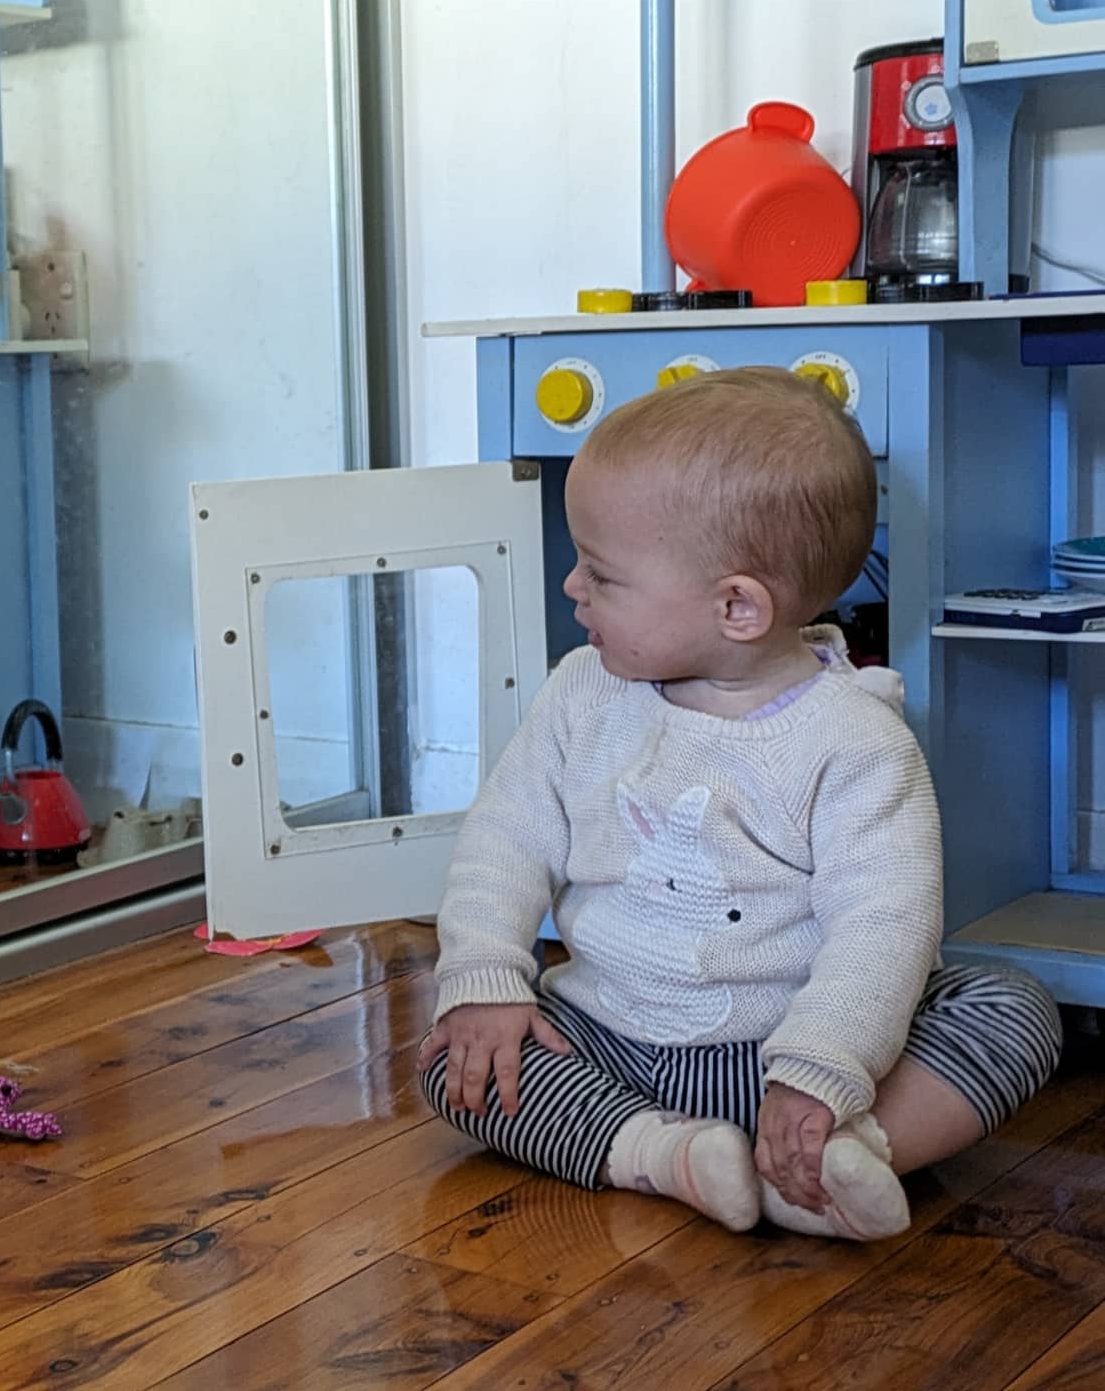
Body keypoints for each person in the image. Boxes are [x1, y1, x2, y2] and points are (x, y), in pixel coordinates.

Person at [417, 367, 1062, 1239]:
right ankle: (665, 1153)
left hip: (786, 1057)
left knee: (1013, 1011)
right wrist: (485, 978)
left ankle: (839, 1158)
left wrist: (822, 1067)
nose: (572, 588)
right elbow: (506, 838)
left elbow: (884, 926)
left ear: (737, 607)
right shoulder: (582, 693)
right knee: (456, 1061)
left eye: (601, 575)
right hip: (605, 1037)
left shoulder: (856, 742)